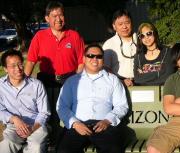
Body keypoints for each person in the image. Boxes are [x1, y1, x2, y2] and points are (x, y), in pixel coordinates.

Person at [24, 1, 85, 147]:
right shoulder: (39, 36)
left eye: (61, 15)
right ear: (47, 18)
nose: (58, 19)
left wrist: (76, 80)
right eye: (54, 15)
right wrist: (23, 84)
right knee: (49, 117)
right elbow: (31, 61)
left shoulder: (74, 36)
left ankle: (68, 144)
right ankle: (50, 145)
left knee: (69, 115)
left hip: (69, 81)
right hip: (47, 82)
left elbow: (81, 62)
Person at [56, 44, 129, 153]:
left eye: (99, 56)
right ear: (84, 59)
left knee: (114, 149)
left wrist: (107, 120)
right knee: (64, 150)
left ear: (103, 60)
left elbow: (122, 105)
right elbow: (62, 106)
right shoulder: (72, 81)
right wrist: (75, 123)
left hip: (103, 125)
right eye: (90, 56)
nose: (94, 59)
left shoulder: (112, 80)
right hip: (78, 125)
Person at [0, 50, 50, 153]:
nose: (18, 69)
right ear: (5, 69)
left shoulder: (36, 85)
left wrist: (32, 128)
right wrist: (14, 119)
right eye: (13, 66)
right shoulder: (1, 86)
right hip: (14, 126)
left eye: (20, 64)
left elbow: (44, 112)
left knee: (37, 147)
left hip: (36, 124)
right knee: (6, 145)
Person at [103, 9, 137, 87]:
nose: (124, 27)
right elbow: (105, 69)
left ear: (132, 23)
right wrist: (120, 81)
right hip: (118, 84)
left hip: (141, 83)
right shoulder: (109, 44)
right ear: (114, 26)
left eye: (127, 23)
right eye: (120, 24)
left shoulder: (141, 40)